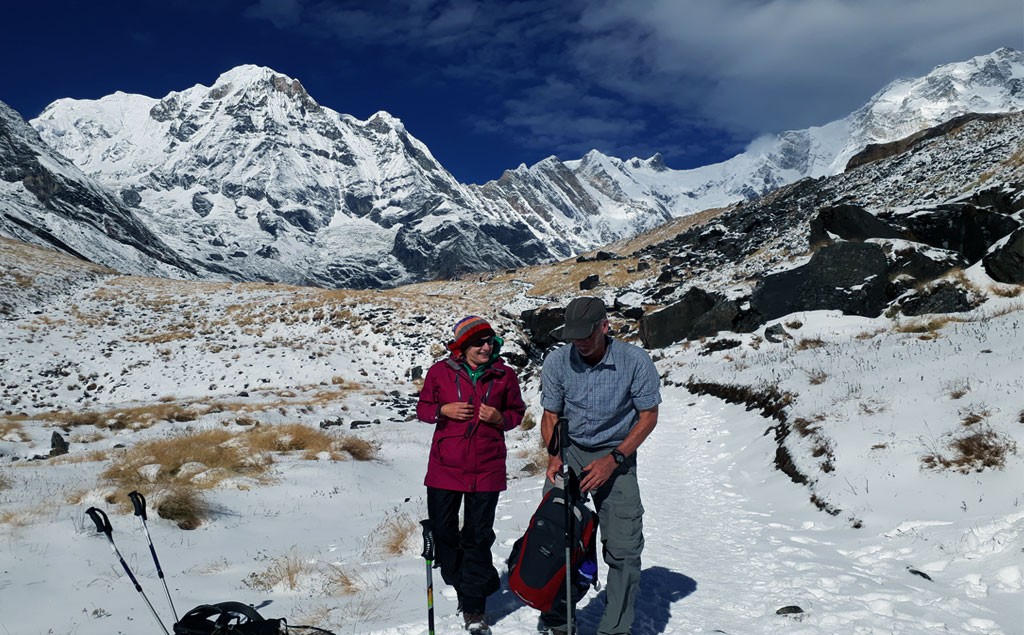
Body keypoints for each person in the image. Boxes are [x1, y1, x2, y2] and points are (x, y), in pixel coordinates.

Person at [538, 297, 661, 635]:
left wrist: (614, 460)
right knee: (553, 536)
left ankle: (615, 629)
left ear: (604, 327)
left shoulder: (634, 361)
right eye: (573, 336)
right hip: (570, 450)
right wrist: (554, 455)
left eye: (587, 335)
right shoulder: (557, 362)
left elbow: (648, 416)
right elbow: (549, 415)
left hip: (615, 453)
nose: (579, 342)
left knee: (623, 548)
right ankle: (559, 620)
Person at [416, 315, 526, 634]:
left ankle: (474, 606)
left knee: (478, 537)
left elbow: (517, 413)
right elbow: (423, 409)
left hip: (487, 469)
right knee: (445, 535)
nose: (486, 347)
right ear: (462, 347)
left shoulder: (504, 375)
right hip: (444, 469)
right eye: (478, 342)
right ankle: (467, 581)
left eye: (490, 341)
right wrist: (443, 411)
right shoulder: (439, 373)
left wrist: (499, 418)